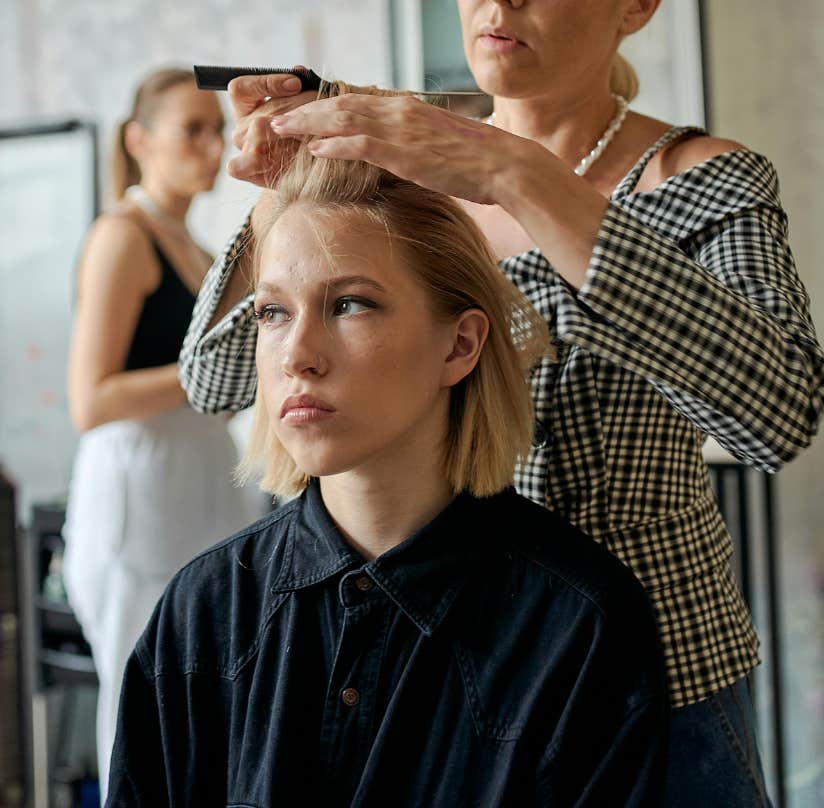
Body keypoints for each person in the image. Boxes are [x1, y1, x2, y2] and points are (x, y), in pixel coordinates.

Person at [179, 0, 824, 806]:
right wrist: (282, 188)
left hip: (651, 683)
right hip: (444, 673)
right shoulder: (407, 161)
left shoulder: (702, 182)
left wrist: (515, 174)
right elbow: (217, 380)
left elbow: (774, 413)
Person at [107, 148, 667, 807]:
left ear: (460, 345)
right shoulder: (203, 612)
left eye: (350, 304)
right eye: (272, 313)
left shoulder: (581, 626)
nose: (298, 356)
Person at [62, 67, 266, 795]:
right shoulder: (122, 235)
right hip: (139, 492)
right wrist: (206, 373)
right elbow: (91, 400)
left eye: (218, 130)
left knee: (202, 699)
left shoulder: (198, 249)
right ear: (139, 140)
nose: (212, 147)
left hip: (198, 488)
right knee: (139, 702)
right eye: (193, 130)